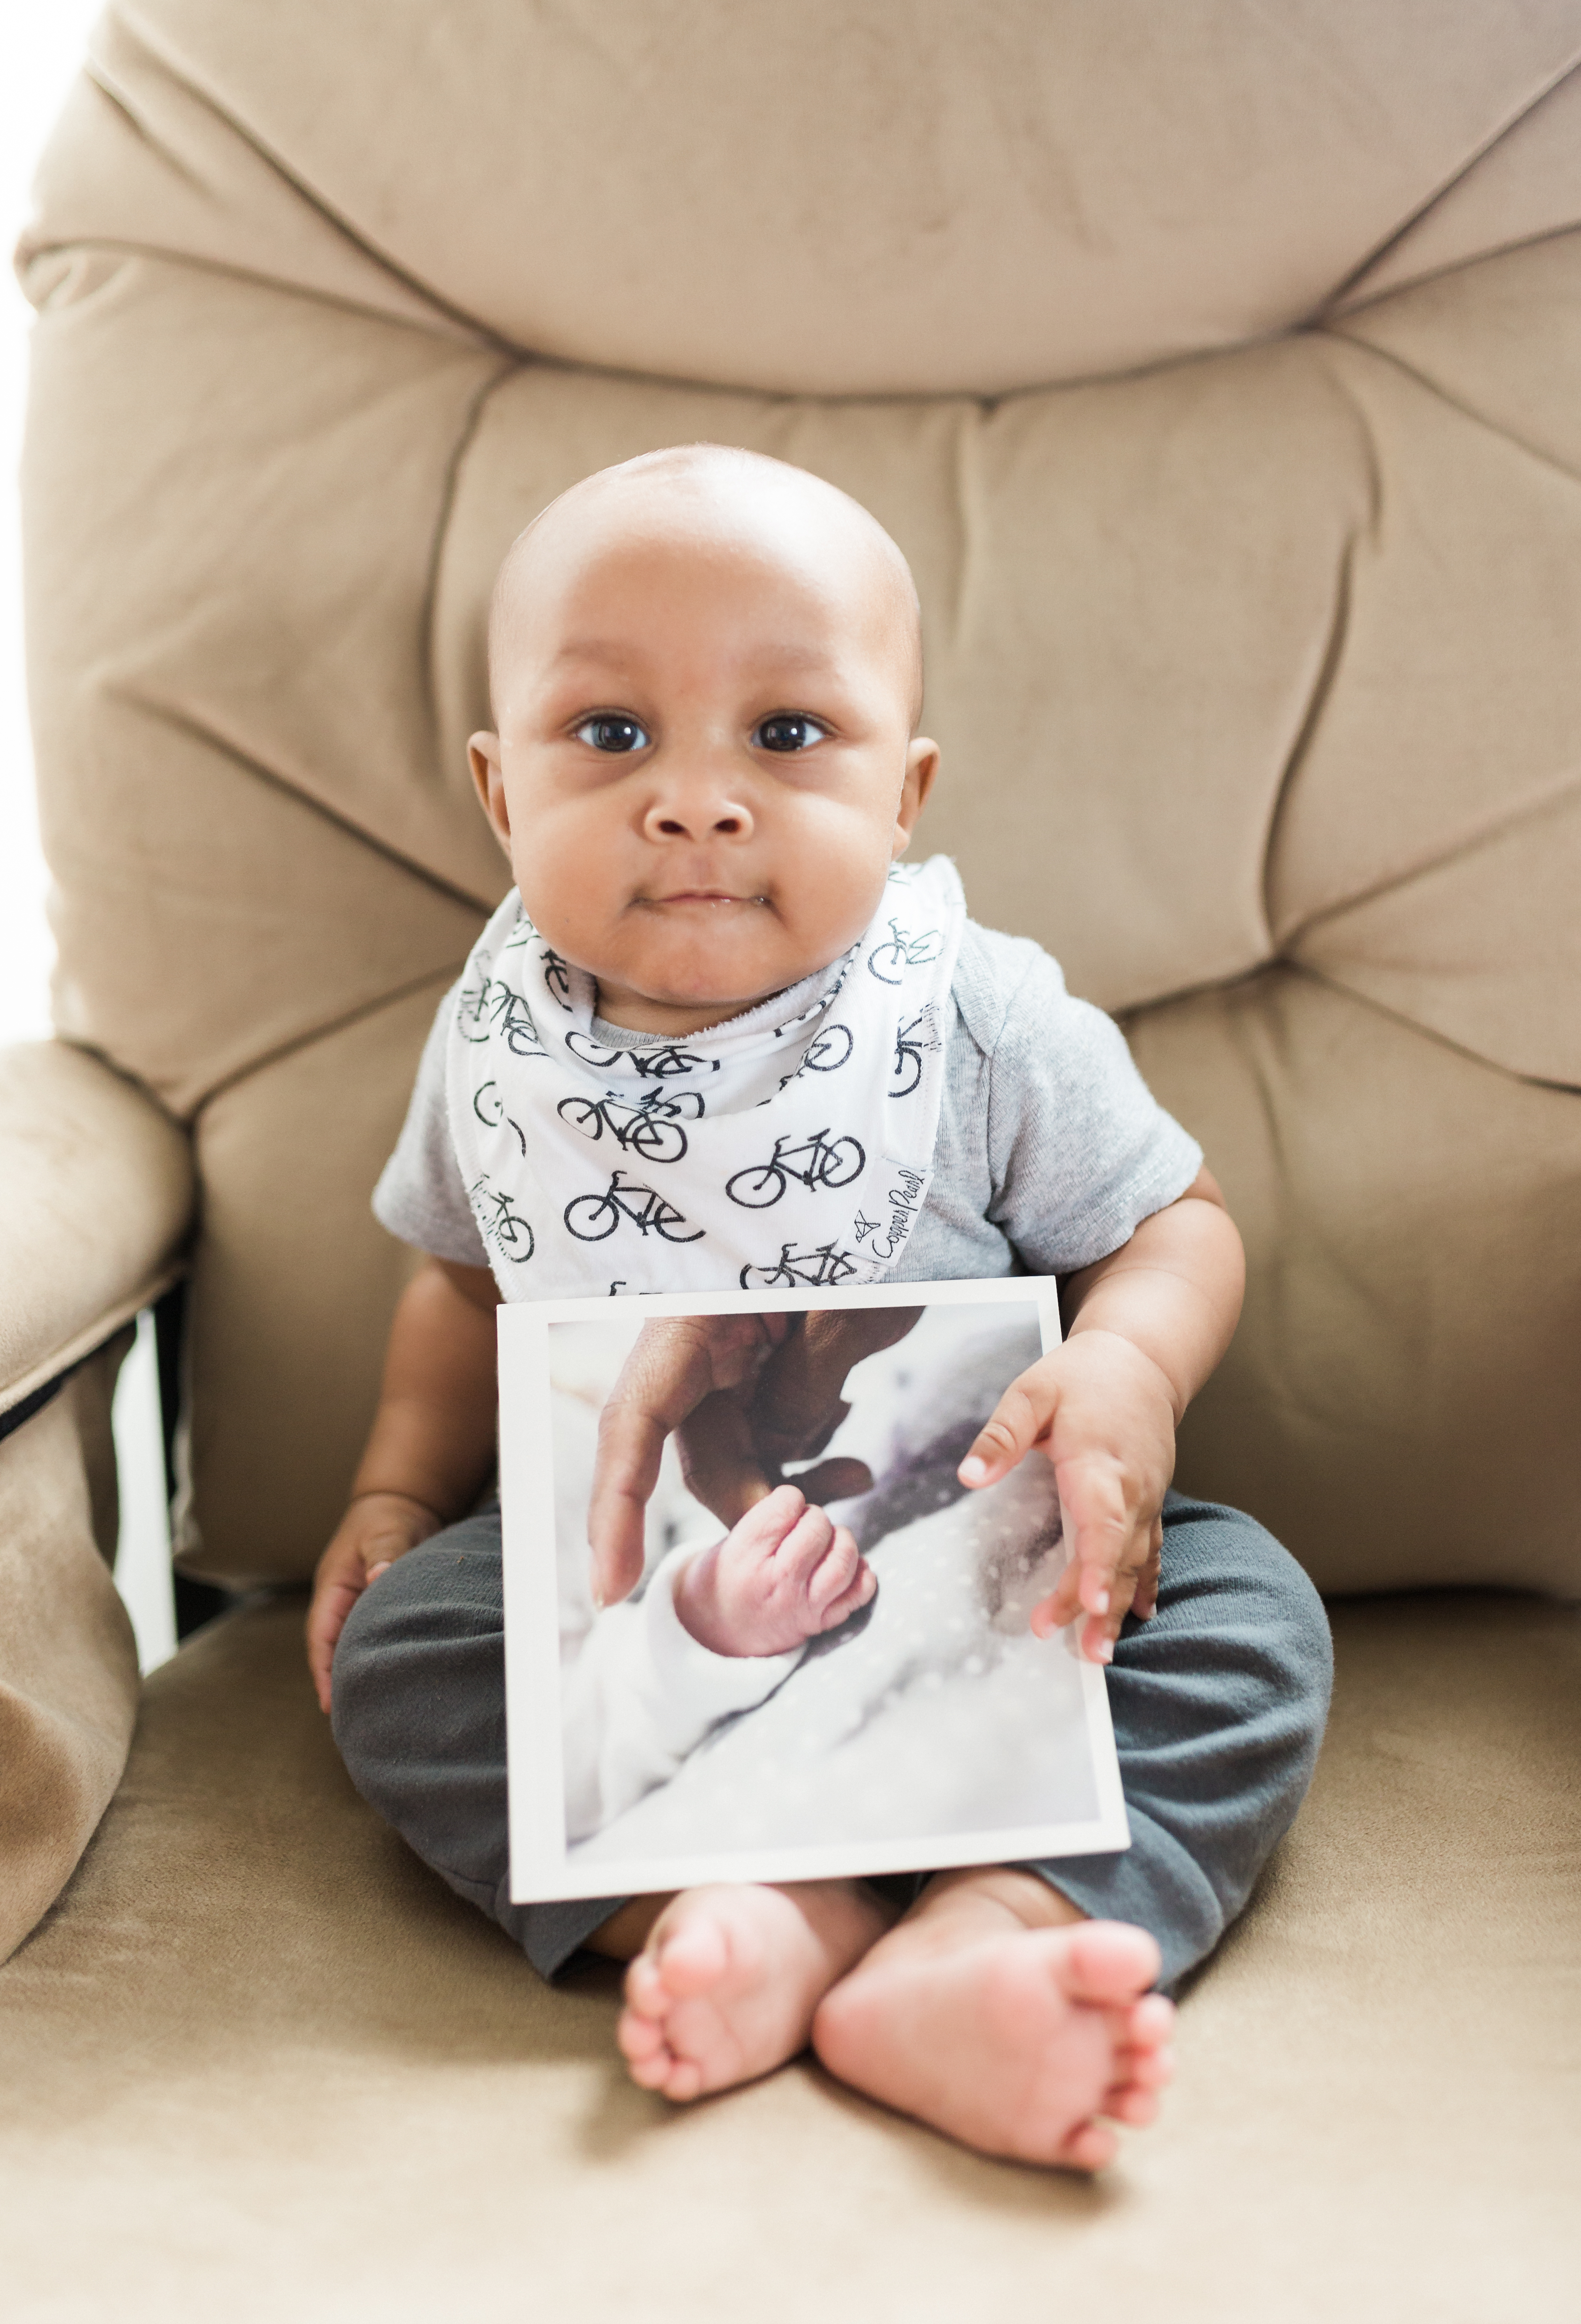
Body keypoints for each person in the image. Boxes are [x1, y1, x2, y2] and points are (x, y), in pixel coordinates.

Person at [310, 443, 1332, 2173]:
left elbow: (1178, 1224)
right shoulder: (497, 1047)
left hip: (990, 1549)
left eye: (787, 733)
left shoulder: (980, 1020)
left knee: (1249, 1615)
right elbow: (458, 1283)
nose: (697, 800)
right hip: (652, 1581)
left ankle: (996, 1927)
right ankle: (763, 1912)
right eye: (611, 732)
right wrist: (399, 1492)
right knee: (407, 1655)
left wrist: (1131, 1370)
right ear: (499, 791)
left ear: (904, 788)